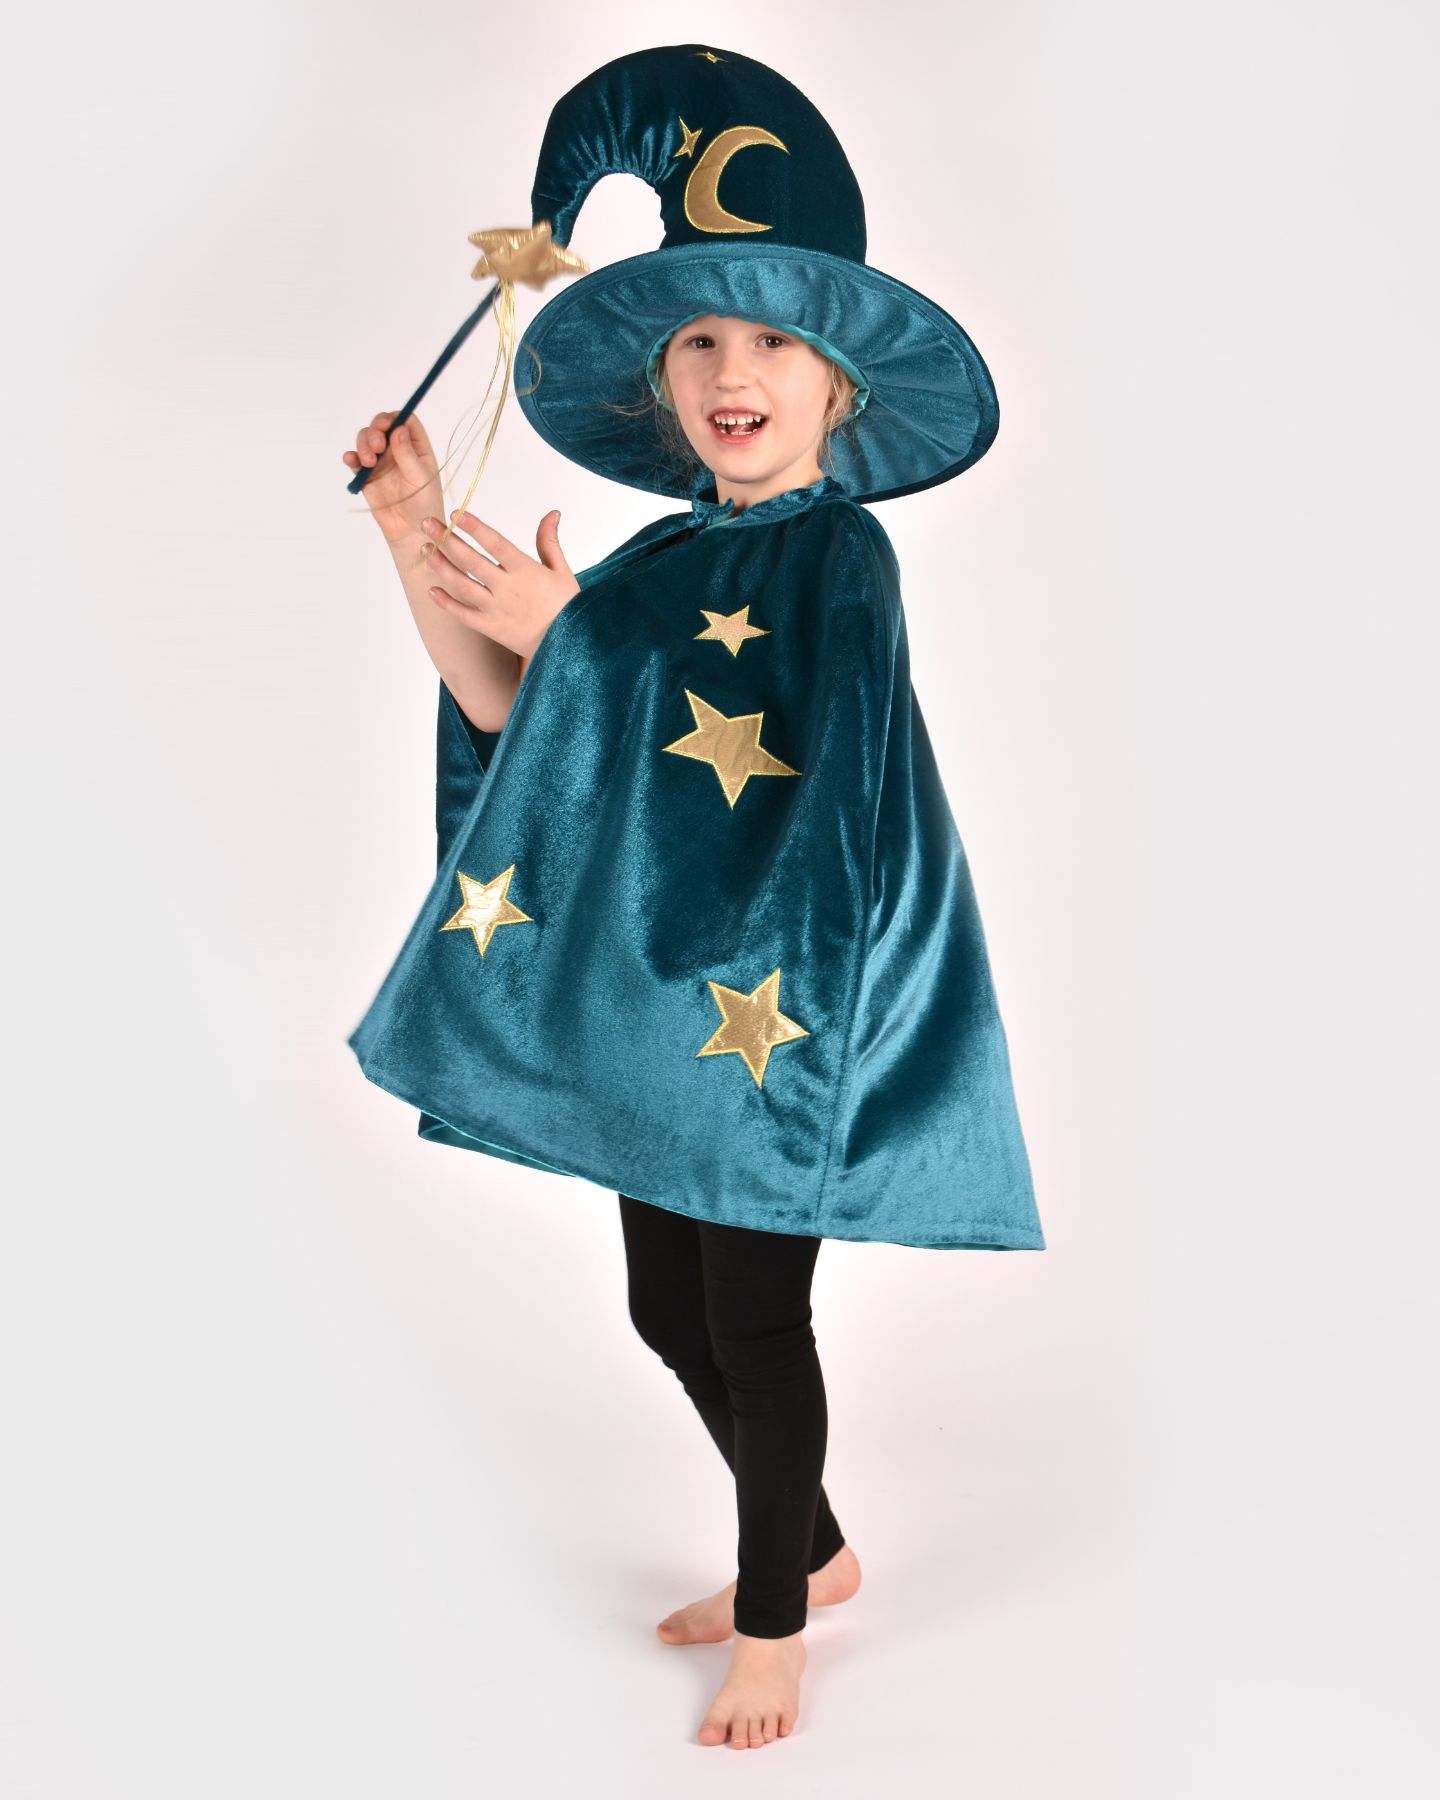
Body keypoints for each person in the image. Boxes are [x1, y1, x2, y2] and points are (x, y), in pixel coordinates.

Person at [342, 46, 1044, 1751]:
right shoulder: (664, 563)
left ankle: (778, 1625)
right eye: (702, 343)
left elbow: (809, 765)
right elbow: (519, 716)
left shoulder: (840, 556)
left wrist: (578, 639)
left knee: (754, 1315)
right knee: (665, 1307)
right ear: (665, 389)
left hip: (782, 1000)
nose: (737, 371)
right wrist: (417, 535)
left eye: (776, 343)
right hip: (673, 1003)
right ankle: (816, 1547)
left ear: (838, 390)